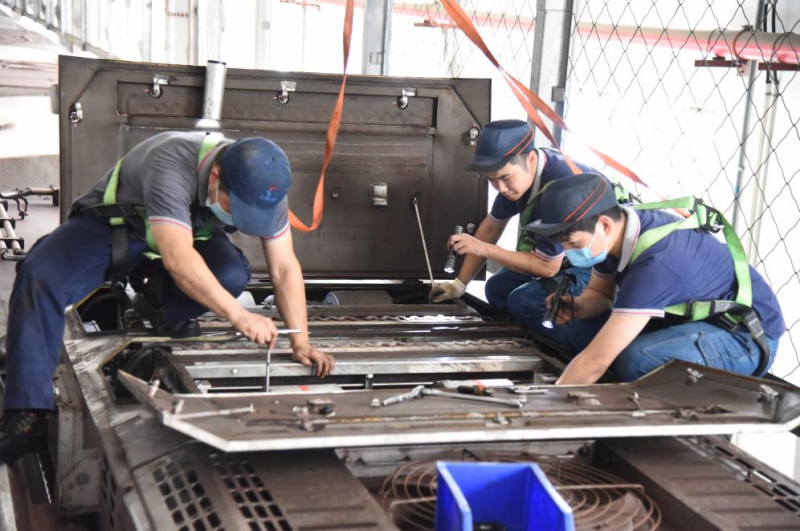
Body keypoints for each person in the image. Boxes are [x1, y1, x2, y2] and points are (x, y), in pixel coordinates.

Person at [0, 131, 335, 461]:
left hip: (187, 236)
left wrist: (301, 342)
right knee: (40, 276)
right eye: (237, 209)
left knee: (230, 274)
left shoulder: (266, 189)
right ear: (215, 177)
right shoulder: (172, 164)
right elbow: (178, 258)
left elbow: (284, 268)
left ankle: (160, 302)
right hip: (118, 226)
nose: (239, 219)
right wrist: (240, 316)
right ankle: (29, 411)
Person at [523, 173, 785, 384]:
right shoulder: (616, 231)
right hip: (690, 321)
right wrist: (580, 305)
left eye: (571, 242)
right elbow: (601, 296)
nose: (566, 251)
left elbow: (595, 362)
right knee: (579, 332)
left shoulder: (656, 264)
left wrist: (545, 408)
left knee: (635, 360)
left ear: (604, 225)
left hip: (743, 337)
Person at [429, 119, 611, 341]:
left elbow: (547, 268)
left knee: (524, 302)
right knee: (497, 289)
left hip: (598, 264)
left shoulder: (559, 188)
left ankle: (596, 342)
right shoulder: (520, 180)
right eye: (492, 180)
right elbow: (492, 226)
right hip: (563, 257)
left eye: (505, 178)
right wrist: (460, 284)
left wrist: (482, 248)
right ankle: (534, 332)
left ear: (531, 159)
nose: (501, 188)